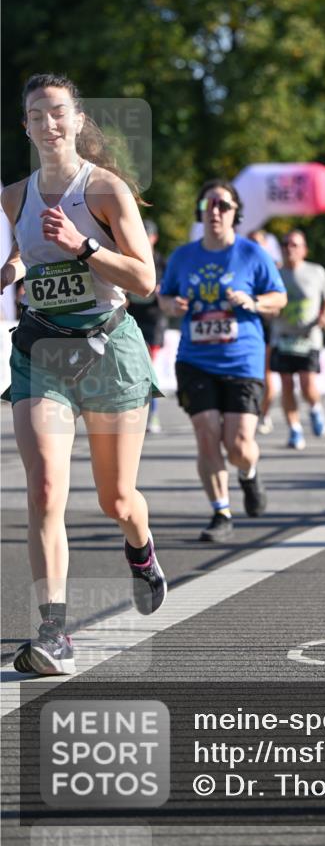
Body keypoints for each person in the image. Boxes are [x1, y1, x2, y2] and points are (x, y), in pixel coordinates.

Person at [1, 73, 166, 676]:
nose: (48, 125)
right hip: (41, 349)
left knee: (116, 497)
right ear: (25, 126)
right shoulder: (13, 196)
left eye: (58, 114)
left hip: (108, 349)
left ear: (77, 120)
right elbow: (20, 250)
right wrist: (13, 267)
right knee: (44, 491)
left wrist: (83, 248)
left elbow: (147, 282)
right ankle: (53, 632)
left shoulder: (105, 190)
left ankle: (141, 549)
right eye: (36, 116)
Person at [158, 181, 286, 541]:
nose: (214, 211)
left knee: (239, 445)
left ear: (235, 213)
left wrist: (254, 303)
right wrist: (172, 306)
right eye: (208, 204)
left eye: (223, 205)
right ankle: (221, 512)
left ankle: (248, 474)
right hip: (196, 359)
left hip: (242, 360)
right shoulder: (183, 256)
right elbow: (165, 297)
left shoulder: (252, 254)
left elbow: (279, 297)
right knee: (206, 434)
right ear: (200, 211)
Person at [270, 230, 325, 450]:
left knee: (307, 384)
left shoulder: (316, 272)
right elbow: (267, 300)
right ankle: (294, 429)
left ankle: (315, 408)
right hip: (283, 337)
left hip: (309, 337)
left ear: (304, 249)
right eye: (286, 244)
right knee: (286, 384)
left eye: (295, 244)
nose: (290, 248)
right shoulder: (274, 274)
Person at [126, 219, 167, 433]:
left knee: (148, 368)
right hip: (133, 316)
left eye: (148, 234)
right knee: (134, 368)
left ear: (154, 238)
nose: (145, 237)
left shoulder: (160, 261)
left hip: (154, 319)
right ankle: (135, 414)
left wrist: (164, 291)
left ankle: (152, 414)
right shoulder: (129, 258)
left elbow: (171, 287)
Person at [247, 229, 279, 435]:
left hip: (265, 327)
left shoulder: (273, 268)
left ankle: (264, 413)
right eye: (251, 242)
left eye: (259, 242)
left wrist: (258, 304)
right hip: (243, 328)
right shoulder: (240, 266)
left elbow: (278, 305)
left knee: (266, 374)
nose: (255, 247)